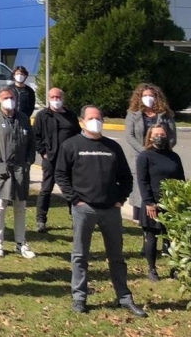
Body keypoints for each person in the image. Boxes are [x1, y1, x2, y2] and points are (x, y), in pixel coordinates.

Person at [55, 105, 146, 317]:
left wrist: (120, 199)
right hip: (84, 209)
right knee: (80, 256)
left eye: (98, 118)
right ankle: (79, 298)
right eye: (91, 118)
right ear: (82, 121)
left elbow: (126, 177)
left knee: (117, 256)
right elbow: (61, 175)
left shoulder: (112, 146)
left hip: (110, 210)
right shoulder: (71, 145)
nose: (95, 121)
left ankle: (124, 297)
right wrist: (75, 200)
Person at [0, 87, 36, 259]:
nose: (10, 100)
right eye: (6, 97)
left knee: (20, 206)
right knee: (0, 206)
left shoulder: (23, 118)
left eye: (12, 97)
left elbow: (31, 142)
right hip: (1, 170)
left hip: (21, 169)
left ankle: (21, 242)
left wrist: (28, 162)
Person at [136, 124, 184, 281]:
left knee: (171, 238)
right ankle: (152, 269)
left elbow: (181, 180)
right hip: (153, 202)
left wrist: (181, 201)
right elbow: (143, 181)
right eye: (156, 134)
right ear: (150, 137)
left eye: (162, 135)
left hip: (171, 203)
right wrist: (149, 202)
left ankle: (174, 268)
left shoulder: (173, 156)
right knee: (151, 236)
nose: (159, 137)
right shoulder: (145, 156)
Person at [124, 83, 176, 221]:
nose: (148, 98)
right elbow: (129, 136)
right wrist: (145, 152)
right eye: (145, 95)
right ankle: (143, 219)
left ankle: (163, 217)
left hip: (161, 158)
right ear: (139, 97)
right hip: (140, 156)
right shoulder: (133, 114)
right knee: (142, 186)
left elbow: (172, 136)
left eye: (151, 95)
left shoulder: (165, 114)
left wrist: (162, 150)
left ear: (157, 97)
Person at [33, 88, 81, 232]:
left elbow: (78, 134)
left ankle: (76, 218)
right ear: (48, 98)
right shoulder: (42, 115)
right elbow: (35, 136)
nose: (55, 99)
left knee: (71, 189)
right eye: (52, 97)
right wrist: (43, 152)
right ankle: (41, 220)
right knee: (46, 189)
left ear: (63, 98)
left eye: (58, 97)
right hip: (51, 159)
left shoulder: (70, 116)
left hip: (68, 160)